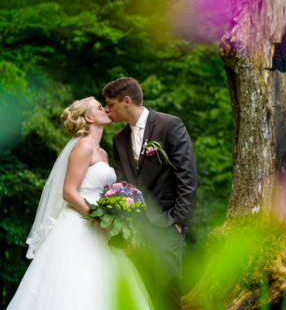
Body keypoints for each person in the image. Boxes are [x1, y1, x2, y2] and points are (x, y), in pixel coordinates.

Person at [7, 97, 151, 310]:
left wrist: (117, 214)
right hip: (80, 225)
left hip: (101, 227)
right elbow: (68, 192)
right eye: (100, 107)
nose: (106, 109)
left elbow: (103, 192)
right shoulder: (83, 147)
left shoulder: (101, 153)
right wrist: (98, 218)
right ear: (89, 118)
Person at [102, 77, 197, 310]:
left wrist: (178, 222)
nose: (106, 110)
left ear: (126, 101)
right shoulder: (118, 138)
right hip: (137, 229)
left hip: (167, 223)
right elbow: (123, 184)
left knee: (167, 288)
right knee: (143, 289)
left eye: (110, 104)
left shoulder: (169, 125)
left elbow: (187, 176)